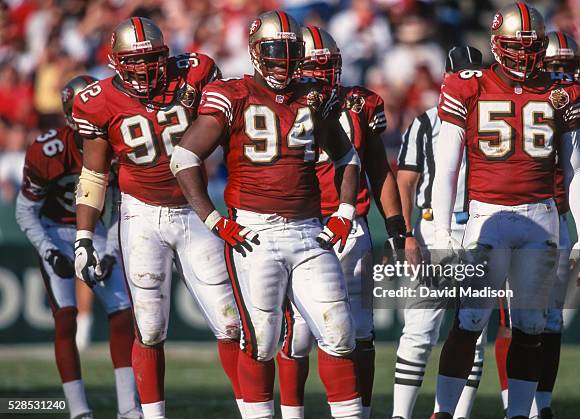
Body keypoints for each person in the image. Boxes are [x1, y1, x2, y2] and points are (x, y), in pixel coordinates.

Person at [171, 11, 362, 419]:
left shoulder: (312, 94)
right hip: (254, 232)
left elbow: (347, 155)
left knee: (340, 334)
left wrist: (344, 211)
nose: (285, 60)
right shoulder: (233, 93)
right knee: (261, 341)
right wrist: (213, 219)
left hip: (310, 231)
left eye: (292, 52)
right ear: (256, 52)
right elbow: (184, 157)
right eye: (276, 51)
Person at [70, 17, 243, 419]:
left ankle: (253, 410)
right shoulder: (95, 101)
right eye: (135, 61)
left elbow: (215, 93)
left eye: (152, 59)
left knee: (230, 322)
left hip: (196, 210)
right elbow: (94, 174)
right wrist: (83, 237)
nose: (146, 69)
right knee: (149, 329)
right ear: (116, 62)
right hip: (141, 213)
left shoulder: (194, 73)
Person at [430, 3, 580, 418]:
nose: (524, 55)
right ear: (495, 45)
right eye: (514, 47)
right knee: (469, 321)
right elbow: (446, 166)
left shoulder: (563, 92)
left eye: (532, 47)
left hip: (541, 217)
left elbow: (576, 169)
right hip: (487, 216)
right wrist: (440, 231)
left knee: (531, 326)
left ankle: (519, 413)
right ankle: (443, 412)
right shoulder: (467, 85)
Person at [275, 26, 407, 419]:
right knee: (296, 333)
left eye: (327, 66)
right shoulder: (275, 105)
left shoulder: (361, 104)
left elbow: (380, 169)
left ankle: (359, 413)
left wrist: (397, 226)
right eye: (313, 67)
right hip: (300, 225)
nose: (321, 76)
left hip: (351, 228)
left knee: (360, 333)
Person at [494, 31, 580, 419]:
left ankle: (542, 405)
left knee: (551, 319)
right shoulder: (522, 96)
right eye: (553, 66)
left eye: (566, 67)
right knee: (512, 319)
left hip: (556, 216)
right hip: (516, 213)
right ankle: (514, 406)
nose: (560, 75)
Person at [15, 75, 141, 419]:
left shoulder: (118, 145)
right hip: (56, 230)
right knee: (65, 318)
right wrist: (48, 249)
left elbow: (119, 206)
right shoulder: (48, 149)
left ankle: (129, 407)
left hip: (95, 230)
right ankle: (78, 409)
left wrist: (113, 251)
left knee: (122, 315)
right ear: (70, 115)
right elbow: (26, 210)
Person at [393, 45, 486, 419]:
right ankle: (400, 415)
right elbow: (406, 182)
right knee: (419, 330)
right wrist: (406, 235)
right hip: (433, 227)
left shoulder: (495, 118)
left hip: (480, 227)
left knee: (473, 332)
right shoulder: (427, 121)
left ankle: (453, 414)